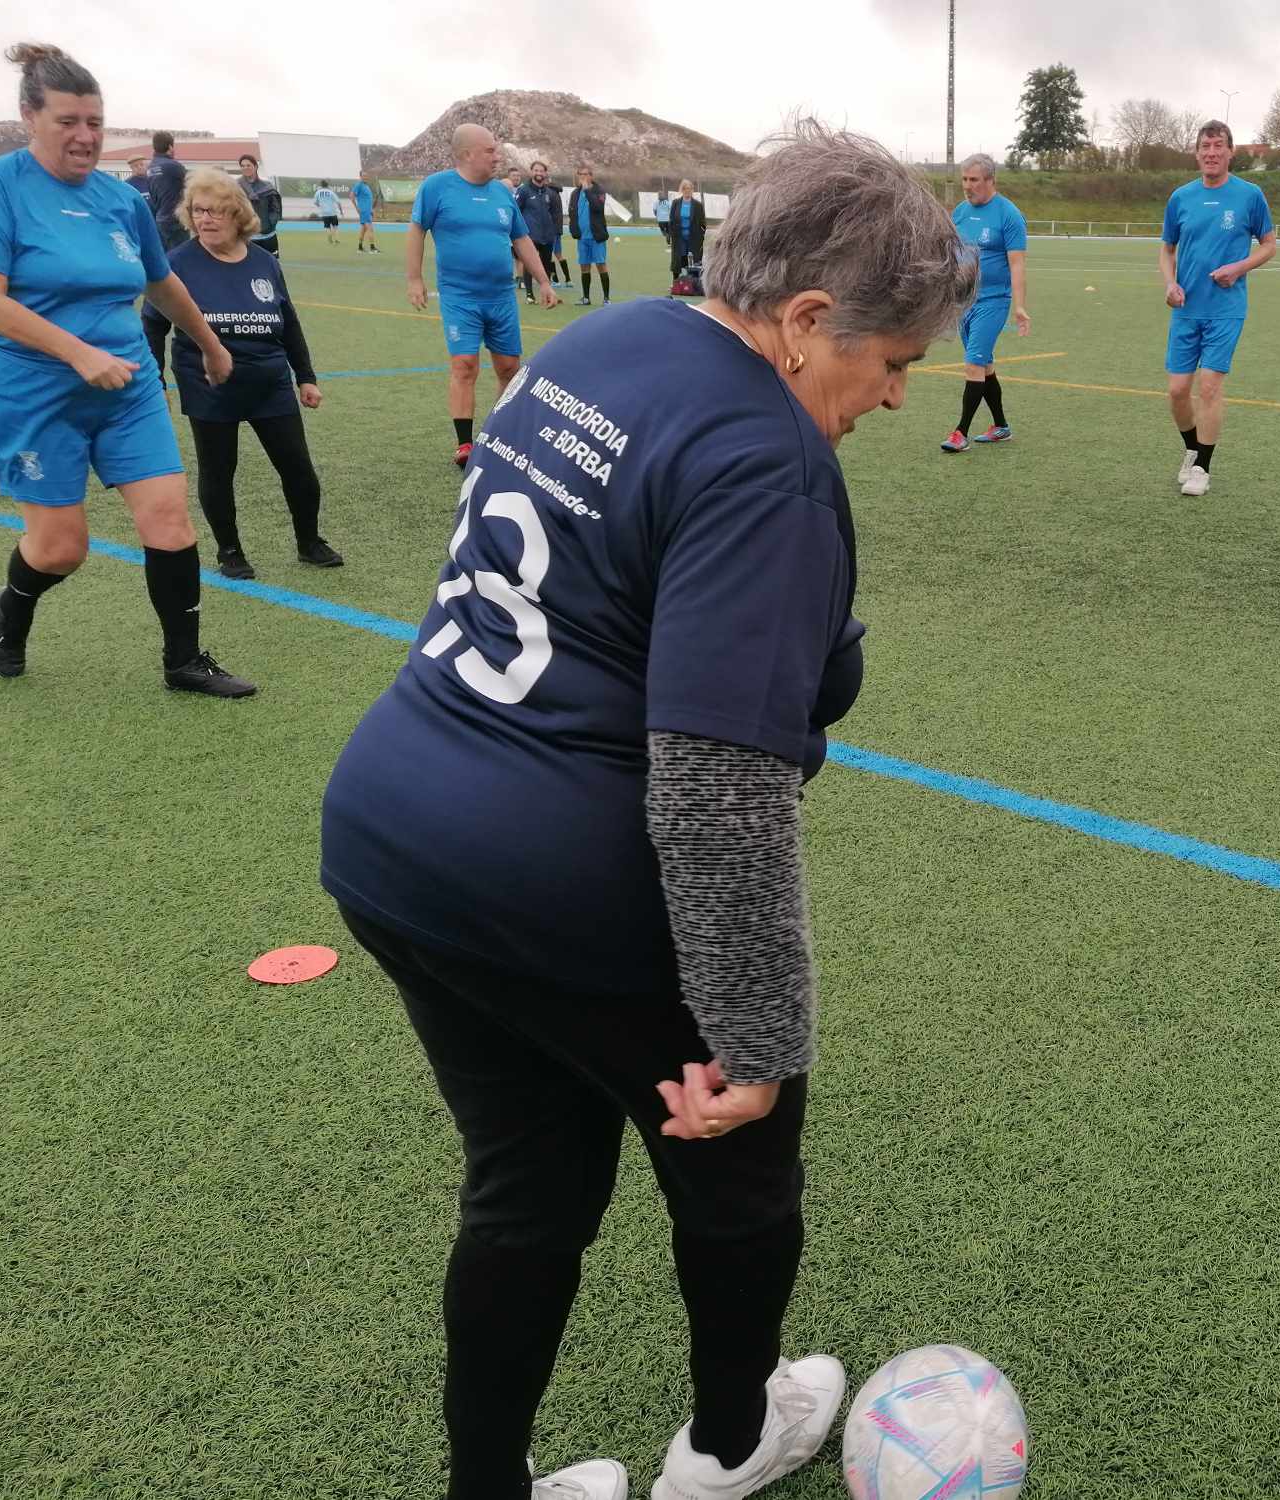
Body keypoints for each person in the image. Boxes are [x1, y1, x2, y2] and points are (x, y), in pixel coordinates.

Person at [320, 122, 974, 1500]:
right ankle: (730, 1447)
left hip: (391, 835)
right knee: (737, 1173)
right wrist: (758, 1039)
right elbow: (719, 792)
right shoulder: (770, 459)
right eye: (894, 362)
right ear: (805, 323)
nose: (899, 395)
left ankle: (486, 1488)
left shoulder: (596, 345)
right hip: (566, 881)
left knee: (528, 1188)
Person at [0, 42, 255, 697]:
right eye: (68, 122)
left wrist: (210, 344)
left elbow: (160, 284)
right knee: (60, 549)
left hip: (127, 387)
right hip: (32, 392)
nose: (84, 136)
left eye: (95, 123)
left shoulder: (120, 200)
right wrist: (77, 353)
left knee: (169, 521)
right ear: (29, 117)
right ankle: (11, 610)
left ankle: (183, 662)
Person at [143, 168, 341, 580]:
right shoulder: (177, 263)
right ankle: (229, 551)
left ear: (238, 214)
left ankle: (309, 541)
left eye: (216, 211)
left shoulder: (265, 263)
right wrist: (155, 380)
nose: (206, 219)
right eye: (199, 211)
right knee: (218, 471)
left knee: (298, 469)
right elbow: (153, 324)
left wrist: (305, 376)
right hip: (208, 386)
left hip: (269, 383)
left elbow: (288, 323)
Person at [407, 122, 558, 471]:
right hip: (460, 297)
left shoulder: (503, 193)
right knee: (465, 365)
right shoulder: (437, 188)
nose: (497, 156)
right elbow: (416, 230)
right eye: (490, 150)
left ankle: (503, 436)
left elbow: (521, 239)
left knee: (509, 367)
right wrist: (414, 279)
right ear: (467, 154)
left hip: (502, 296)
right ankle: (465, 444)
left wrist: (544, 281)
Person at [1159, 119, 1275, 497]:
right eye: (1205, 147)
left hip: (1226, 308)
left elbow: (1270, 245)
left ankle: (1203, 468)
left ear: (1230, 152)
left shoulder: (1249, 195)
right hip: (1186, 308)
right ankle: (1192, 449)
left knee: (1209, 387)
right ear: (1197, 153)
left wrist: (1239, 268)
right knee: (1177, 391)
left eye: (1218, 146)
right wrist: (1169, 283)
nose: (1211, 153)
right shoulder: (1181, 198)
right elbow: (1166, 249)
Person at [939, 152, 1027, 452]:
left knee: (974, 363)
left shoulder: (1008, 214)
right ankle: (1001, 426)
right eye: (964, 179)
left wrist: (1019, 305)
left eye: (973, 180)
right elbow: (951, 256)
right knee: (985, 365)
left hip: (994, 301)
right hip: (965, 301)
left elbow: (1017, 264)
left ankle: (959, 433)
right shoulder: (961, 212)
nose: (967, 185)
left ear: (990, 180)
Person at [513, 161, 560, 302]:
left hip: (547, 236)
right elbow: (516, 211)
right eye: (536, 170)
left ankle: (546, 294)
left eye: (541, 171)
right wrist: (519, 231)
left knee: (546, 264)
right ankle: (529, 294)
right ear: (531, 172)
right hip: (530, 235)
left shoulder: (550, 193)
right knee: (530, 263)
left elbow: (556, 213)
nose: (539, 173)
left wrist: (555, 231)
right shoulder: (524, 191)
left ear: (545, 173)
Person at [568, 162, 611, 306]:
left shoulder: (599, 191)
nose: (582, 177)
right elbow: (572, 212)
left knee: (601, 265)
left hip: (596, 236)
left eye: (585, 174)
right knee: (584, 266)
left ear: (591, 176)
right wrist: (574, 229)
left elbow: (598, 207)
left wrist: (587, 191)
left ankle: (606, 299)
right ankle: (586, 298)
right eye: (580, 174)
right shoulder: (575, 193)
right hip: (582, 238)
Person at [144, 128, 186, 249]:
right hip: (176, 221)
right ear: (170, 147)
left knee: (166, 256)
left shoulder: (151, 167)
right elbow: (192, 185)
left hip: (160, 219)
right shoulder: (173, 166)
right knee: (180, 256)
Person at [237, 153, 283, 258]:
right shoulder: (236, 187)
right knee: (248, 269)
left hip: (268, 236)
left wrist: (270, 224)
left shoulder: (267, 186)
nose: (245, 168)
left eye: (248, 165)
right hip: (247, 237)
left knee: (272, 267)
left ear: (256, 166)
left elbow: (275, 208)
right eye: (242, 166)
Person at [670, 178, 705, 283]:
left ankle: (692, 283)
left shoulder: (698, 205)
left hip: (693, 238)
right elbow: (671, 219)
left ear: (692, 190)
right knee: (678, 260)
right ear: (682, 190)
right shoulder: (676, 203)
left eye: (689, 189)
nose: (687, 191)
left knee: (693, 260)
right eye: (685, 189)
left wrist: (701, 235)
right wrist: (671, 234)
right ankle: (675, 282)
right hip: (679, 237)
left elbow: (703, 222)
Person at [353, 176, 379, 253]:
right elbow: (351, 196)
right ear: (360, 176)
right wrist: (357, 208)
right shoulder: (359, 185)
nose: (365, 177)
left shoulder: (366, 186)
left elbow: (368, 199)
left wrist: (371, 209)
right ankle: (372, 248)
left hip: (367, 210)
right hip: (364, 211)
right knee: (370, 228)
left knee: (363, 230)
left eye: (366, 176)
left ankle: (360, 248)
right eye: (363, 176)